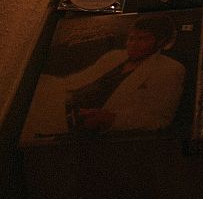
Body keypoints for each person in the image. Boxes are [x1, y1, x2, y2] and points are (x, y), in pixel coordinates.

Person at [31, 14, 185, 136]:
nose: (134, 44)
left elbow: (159, 119)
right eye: (131, 38)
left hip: (80, 124)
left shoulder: (170, 69)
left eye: (143, 39)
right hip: (58, 104)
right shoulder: (115, 56)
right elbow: (76, 81)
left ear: (161, 41)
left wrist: (112, 119)